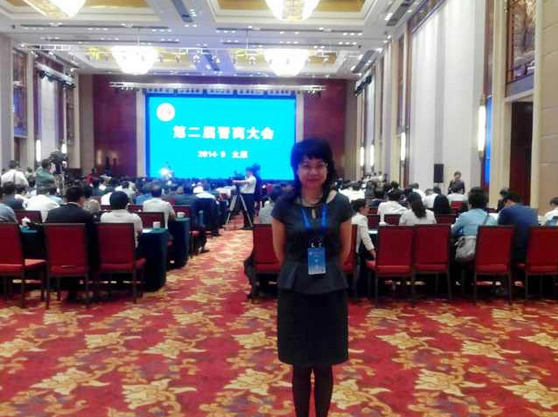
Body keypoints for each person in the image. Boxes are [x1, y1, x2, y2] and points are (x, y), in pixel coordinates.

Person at [271, 138, 352, 417]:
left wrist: (325, 270)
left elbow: (344, 251)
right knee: (300, 365)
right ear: (296, 169)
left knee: (325, 365)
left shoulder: (340, 204)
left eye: (320, 165)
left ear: (328, 168)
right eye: (306, 165)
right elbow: (280, 252)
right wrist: (301, 270)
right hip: (295, 291)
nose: (313, 171)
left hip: (329, 290)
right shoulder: (284, 205)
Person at [46, 186, 97, 300]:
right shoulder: (86, 215)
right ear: (82, 199)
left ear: (65, 199)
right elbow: (92, 239)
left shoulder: (52, 213)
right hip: (80, 257)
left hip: (57, 257)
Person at [498, 191, 538, 262]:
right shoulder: (533, 210)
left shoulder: (506, 210)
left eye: (504, 204)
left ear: (508, 201)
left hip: (515, 253)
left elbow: (499, 230)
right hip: (532, 251)